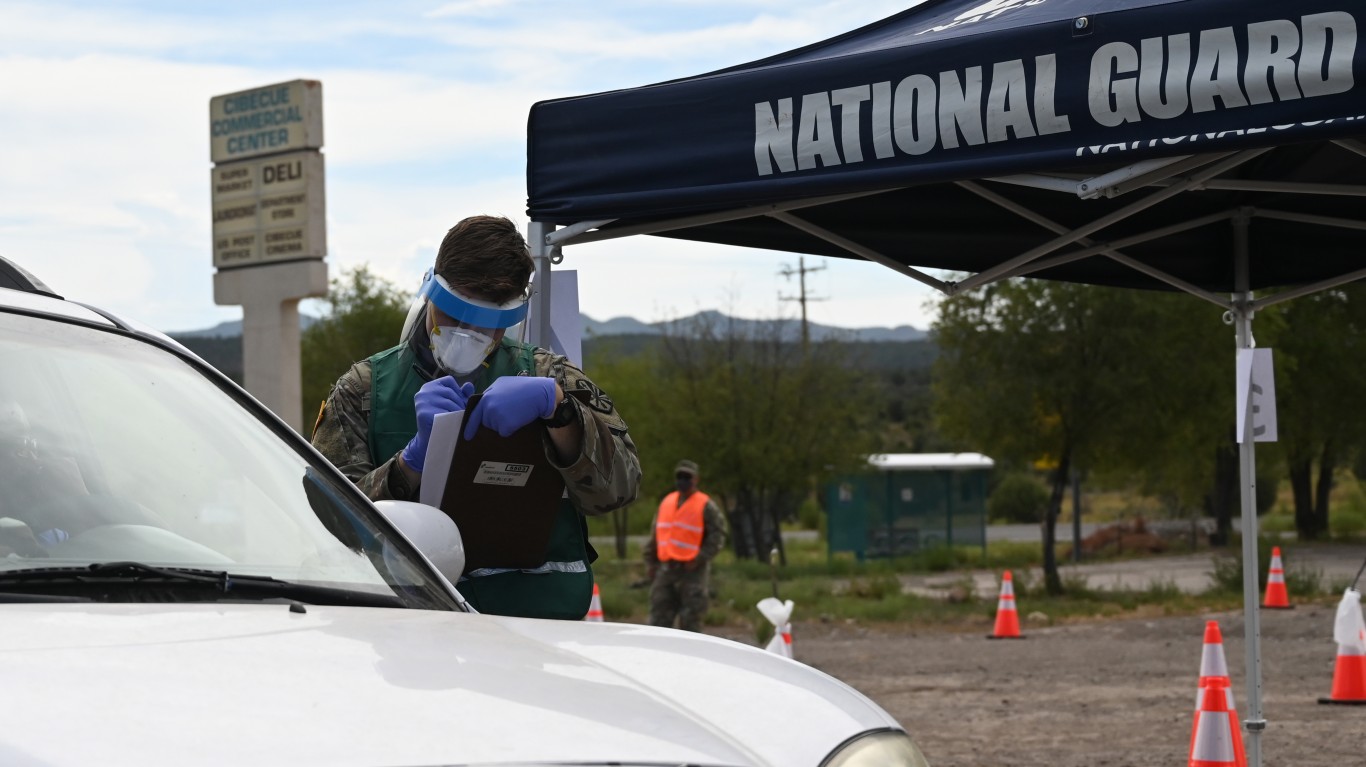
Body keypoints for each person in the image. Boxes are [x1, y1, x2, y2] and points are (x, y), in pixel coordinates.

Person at [310, 215, 641, 620]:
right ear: (431, 292)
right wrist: (408, 465)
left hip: (538, 622)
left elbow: (620, 490)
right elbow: (329, 520)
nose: (467, 335)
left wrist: (562, 415)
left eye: (487, 326)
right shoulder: (363, 390)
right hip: (411, 624)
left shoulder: (550, 377)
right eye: (454, 317)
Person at [643, 459, 727, 632]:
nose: (682, 480)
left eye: (687, 477)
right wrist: (650, 562)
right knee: (658, 619)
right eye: (679, 476)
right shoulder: (667, 502)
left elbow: (718, 535)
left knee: (691, 621)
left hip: (692, 572)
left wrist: (700, 558)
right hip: (666, 569)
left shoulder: (705, 505)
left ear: (696, 479)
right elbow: (656, 534)